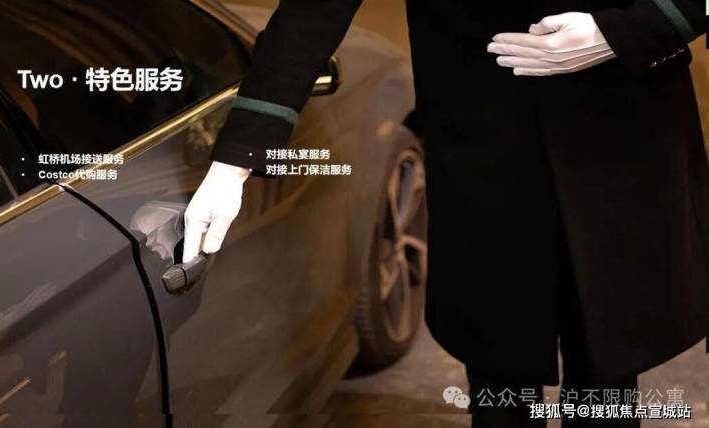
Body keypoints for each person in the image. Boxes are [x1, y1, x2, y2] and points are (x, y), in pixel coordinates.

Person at [183, 0, 708, 426]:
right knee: (500, 368)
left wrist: (625, 31)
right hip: (483, 140)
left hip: (626, 132)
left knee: (611, 362)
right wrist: (236, 159)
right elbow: (314, 9)